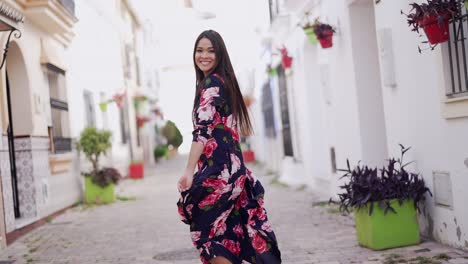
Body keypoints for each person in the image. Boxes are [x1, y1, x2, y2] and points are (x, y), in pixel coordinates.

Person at [177, 30, 282, 264]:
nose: (204, 56)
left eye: (211, 51)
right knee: (226, 234)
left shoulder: (212, 83)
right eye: (200, 50)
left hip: (220, 173)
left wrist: (188, 171)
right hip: (233, 171)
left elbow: (202, 132)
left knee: (208, 236)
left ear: (220, 54)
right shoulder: (224, 81)